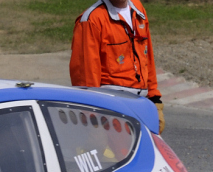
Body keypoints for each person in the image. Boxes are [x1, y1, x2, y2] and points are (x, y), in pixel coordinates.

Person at [70, 0, 165, 132]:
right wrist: (92, 118)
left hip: (141, 106)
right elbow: (85, 78)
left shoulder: (138, 10)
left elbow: (147, 58)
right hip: (112, 112)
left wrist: (155, 100)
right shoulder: (91, 20)